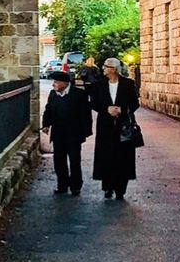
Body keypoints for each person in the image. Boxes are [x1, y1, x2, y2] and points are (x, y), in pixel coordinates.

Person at [91, 57, 139, 200]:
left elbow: (135, 104)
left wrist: (122, 110)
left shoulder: (128, 84)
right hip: (105, 126)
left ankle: (120, 189)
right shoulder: (99, 85)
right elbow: (93, 103)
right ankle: (107, 187)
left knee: (123, 157)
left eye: (105, 66)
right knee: (106, 155)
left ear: (113, 69)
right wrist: (106, 109)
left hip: (123, 126)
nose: (103, 69)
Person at [42, 71, 93, 196]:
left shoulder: (79, 94)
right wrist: (46, 124)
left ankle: (76, 186)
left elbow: (86, 114)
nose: (54, 84)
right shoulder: (53, 94)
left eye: (56, 82)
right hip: (58, 133)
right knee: (59, 160)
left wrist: (86, 131)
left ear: (65, 83)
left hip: (74, 133)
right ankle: (62, 185)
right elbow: (48, 109)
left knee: (75, 161)